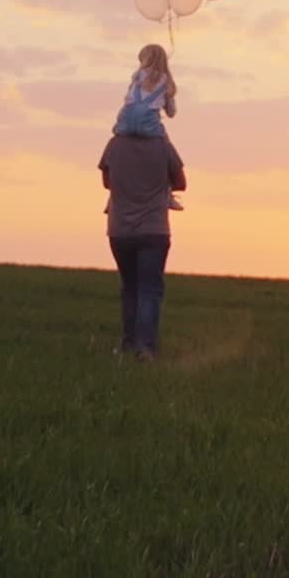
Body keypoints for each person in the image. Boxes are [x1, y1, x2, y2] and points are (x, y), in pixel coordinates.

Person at [99, 129, 187, 362]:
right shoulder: (163, 146)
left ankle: (128, 345)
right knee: (149, 289)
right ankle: (146, 348)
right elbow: (181, 183)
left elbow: (107, 182)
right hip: (154, 230)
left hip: (120, 230)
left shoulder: (114, 145)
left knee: (130, 287)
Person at [112, 43, 183, 209]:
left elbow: (128, 99)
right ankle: (168, 194)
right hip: (149, 125)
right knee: (166, 148)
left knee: (114, 147)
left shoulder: (137, 75)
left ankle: (113, 197)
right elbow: (171, 112)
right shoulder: (167, 81)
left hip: (125, 122)